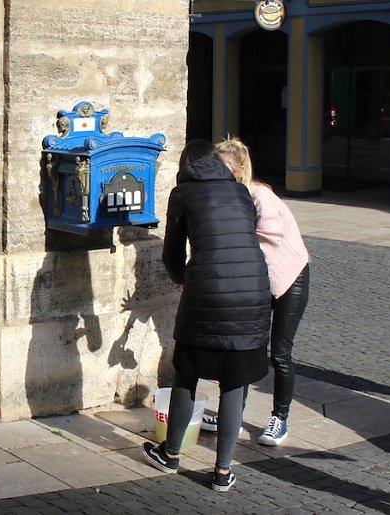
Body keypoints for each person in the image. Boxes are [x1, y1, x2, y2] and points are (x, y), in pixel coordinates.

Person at [142, 140, 272, 492]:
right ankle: (223, 471)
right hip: (252, 293)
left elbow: (172, 253)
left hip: (209, 293)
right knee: (234, 384)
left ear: (186, 165)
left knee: (187, 374)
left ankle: (170, 455)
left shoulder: (183, 194)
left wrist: (183, 280)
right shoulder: (240, 191)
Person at [200, 137, 310, 447]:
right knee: (244, 346)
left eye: (220, 167)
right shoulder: (228, 196)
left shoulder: (260, 195)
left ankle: (280, 418)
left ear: (240, 168)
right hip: (257, 280)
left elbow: (272, 233)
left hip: (290, 278)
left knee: (281, 353)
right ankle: (231, 415)